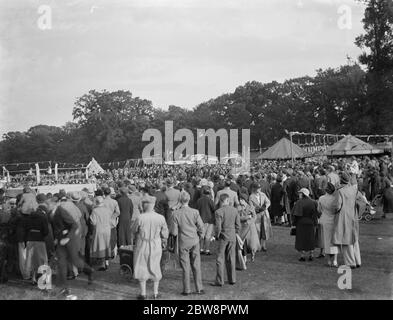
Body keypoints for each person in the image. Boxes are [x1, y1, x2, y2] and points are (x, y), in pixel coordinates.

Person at [52, 197, 94, 296]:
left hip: (70, 239)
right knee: (61, 263)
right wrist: (58, 238)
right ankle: (64, 288)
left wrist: (68, 237)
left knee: (75, 261)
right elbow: (60, 227)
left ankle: (89, 270)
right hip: (62, 240)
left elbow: (74, 225)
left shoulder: (61, 211)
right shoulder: (57, 211)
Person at [132, 195, 168, 300]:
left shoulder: (140, 217)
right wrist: (164, 240)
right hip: (156, 244)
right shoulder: (160, 217)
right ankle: (155, 293)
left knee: (141, 266)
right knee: (155, 265)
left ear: (144, 205)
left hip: (142, 244)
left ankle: (143, 294)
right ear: (153, 205)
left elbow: (133, 230)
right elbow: (165, 232)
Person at [171, 191, 205, 296]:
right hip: (194, 240)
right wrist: (200, 236)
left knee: (185, 267)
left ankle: (187, 290)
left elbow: (174, 232)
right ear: (189, 199)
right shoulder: (195, 212)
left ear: (179, 201)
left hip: (183, 241)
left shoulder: (175, 213)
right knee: (196, 264)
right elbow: (201, 227)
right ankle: (199, 288)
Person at [332, 172, 360, 268]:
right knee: (354, 238)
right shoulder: (354, 189)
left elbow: (337, 206)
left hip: (343, 216)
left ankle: (350, 262)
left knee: (345, 239)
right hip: (353, 215)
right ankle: (357, 260)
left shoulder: (340, 191)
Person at [212, 193, 240, 287]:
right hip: (232, 236)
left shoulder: (218, 212)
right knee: (231, 258)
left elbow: (218, 227)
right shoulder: (235, 210)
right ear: (228, 200)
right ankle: (232, 279)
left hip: (223, 236)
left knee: (220, 258)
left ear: (221, 200)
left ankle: (220, 280)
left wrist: (216, 236)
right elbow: (238, 225)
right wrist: (235, 232)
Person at [292, 188, 319, 261]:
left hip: (301, 222)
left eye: (300, 193)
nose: (299, 194)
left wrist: (294, 223)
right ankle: (311, 254)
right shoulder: (314, 202)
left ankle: (302, 255)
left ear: (303, 194)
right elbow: (317, 213)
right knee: (310, 238)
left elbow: (295, 214)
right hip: (311, 222)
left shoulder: (299, 202)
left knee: (301, 239)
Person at [317, 183, 339, 267]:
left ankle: (329, 261)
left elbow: (319, 210)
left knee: (326, 240)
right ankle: (335, 261)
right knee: (334, 241)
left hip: (325, 220)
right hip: (333, 220)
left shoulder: (321, 198)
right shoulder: (335, 199)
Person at [90, 196, 112, 270]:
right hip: (107, 229)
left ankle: (102, 264)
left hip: (99, 229)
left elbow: (93, 222)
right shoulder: (107, 210)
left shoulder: (95, 211)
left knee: (101, 245)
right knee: (106, 244)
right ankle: (107, 262)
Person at [249, 183, 272, 252]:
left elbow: (268, 202)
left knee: (265, 230)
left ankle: (264, 245)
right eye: (257, 188)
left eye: (259, 188)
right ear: (254, 189)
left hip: (264, 214)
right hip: (257, 214)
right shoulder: (251, 196)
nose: (259, 190)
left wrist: (265, 207)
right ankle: (258, 245)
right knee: (257, 230)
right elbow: (251, 206)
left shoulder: (263, 194)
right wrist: (256, 209)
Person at [238, 198, 259, 262]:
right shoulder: (238, 208)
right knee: (243, 243)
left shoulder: (251, 207)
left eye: (241, 200)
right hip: (242, 227)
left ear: (244, 200)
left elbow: (255, 217)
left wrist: (250, 221)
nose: (240, 201)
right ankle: (244, 257)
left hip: (251, 227)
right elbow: (238, 217)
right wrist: (246, 218)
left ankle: (253, 254)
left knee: (252, 243)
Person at [196, 187, 215, 255]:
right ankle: (207, 250)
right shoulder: (210, 200)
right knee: (208, 236)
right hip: (209, 220)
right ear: (209, 193)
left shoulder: (199, 200)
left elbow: (197, 210)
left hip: (201, 219)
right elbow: (213, 209)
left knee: (201, 235)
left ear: (203, 193)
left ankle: (200, 249)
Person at [103, 188, 120, 258]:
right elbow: (118, 212)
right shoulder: (114, 202)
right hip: (112, 223)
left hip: (104, 222)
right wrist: (112, 217)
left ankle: (106, 253)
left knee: (105, 240)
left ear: (104, 193)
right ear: (110, 193)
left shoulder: (102, 201)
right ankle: (113, 253)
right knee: (113, 239)